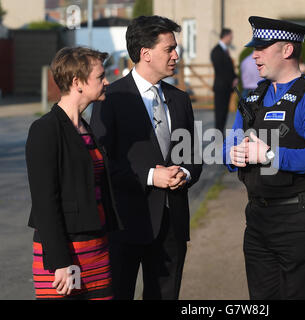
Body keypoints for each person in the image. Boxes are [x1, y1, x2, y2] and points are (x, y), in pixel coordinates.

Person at [223, 16, 305, 299]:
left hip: (300, 222)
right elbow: (231, 141)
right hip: (258, 220)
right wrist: (231, 153)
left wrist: (271, 154)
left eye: (262, 47)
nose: (255, 54)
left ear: (287, 50)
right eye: (254, 47)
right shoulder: (252, 98)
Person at [90, 15, 202, 300]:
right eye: (170, 49)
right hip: (125, 224)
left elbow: (193, 156)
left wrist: (184, 174)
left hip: (172, 226)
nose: (177, 55)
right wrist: (153, 176)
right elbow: (102, 161)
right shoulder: (111, 98)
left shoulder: (180, 99)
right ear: (145, 53)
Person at [26, 47, 122, 300]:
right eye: (100, 76)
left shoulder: (86, 129)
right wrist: (59, 262)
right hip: (63, 255)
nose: (106, 81)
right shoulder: (45, 129)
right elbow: (45, 201)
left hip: (97, 250)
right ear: (77, 82)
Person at [210, 28, 238, 137]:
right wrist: (232, 79)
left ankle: (221, 135)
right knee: (219, 113)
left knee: (224, 113)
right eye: (230, 37)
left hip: (226, 88)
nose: (231, 39)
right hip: (221, 87)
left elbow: (230, 68)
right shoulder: (216, 51)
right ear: (225, 36)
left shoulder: (225, 50)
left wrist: (235, 77)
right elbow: (221, 70)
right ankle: (218, 136)